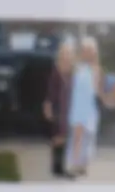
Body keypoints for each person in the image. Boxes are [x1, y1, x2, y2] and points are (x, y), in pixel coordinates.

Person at [65, 35, 103, 179]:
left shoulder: (96, 69)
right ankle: (74, 164)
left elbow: (95, 90)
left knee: (88, 138)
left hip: (89, 108)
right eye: (86, 49)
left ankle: (83, 164)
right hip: (77, 107)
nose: (88, 52)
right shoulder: (77, 67)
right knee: (77, 137)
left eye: (91, 50)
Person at [41, 38, 76, 179]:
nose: (67, 55)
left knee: (64, 137)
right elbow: (50, 91)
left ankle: (58, 168)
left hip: (68, 108)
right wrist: (47, 107)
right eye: (64, 52)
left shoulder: (72, 71)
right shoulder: (56, 70)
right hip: (58, 108)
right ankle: (58, 168)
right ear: (61, 54)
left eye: (69, 53)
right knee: (58, 137)